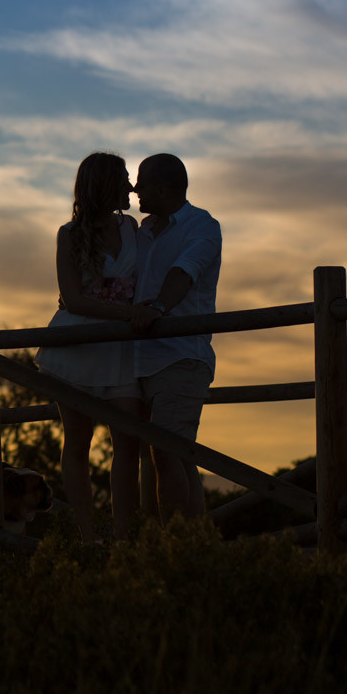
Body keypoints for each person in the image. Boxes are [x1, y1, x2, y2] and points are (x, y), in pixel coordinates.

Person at [35, 151, 143, 543]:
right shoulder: (70, 235)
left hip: (122, 351)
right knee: (78, 444)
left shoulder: (132, 228)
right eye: (124, 178)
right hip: (77, 347)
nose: (131, 186)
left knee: (128, 442)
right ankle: (86, 535)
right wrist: (127, 314)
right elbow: (75, 299)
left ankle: (122, 535)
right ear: (104, 185)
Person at [127, 153, 222, 519]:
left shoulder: (201, 226)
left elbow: (185, 272)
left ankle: (179, 546)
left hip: (181, 357)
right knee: (170, 455)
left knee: (167, 452)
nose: (135, 189)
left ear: (162, 189)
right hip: (139, 361)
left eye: (142, 182)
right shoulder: (143, 232)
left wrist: (159, 308)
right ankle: (187, 546)